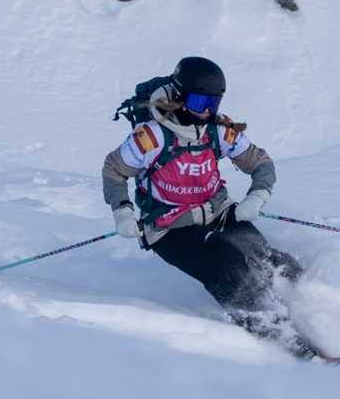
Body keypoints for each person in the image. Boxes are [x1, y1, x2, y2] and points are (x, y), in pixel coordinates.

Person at [103, 56, 325, 359]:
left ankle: (321, 315)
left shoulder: (218, 130)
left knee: (266, 257)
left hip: (218, 213)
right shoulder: (152, 137)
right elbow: (114, 170)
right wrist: (122, 211)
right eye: (199, 102)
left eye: (213, 103)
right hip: (169, 228)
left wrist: (256, 197)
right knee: (226, 266)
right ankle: (278, 333)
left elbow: (260, 163)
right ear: (179, 96)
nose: (206, 111)